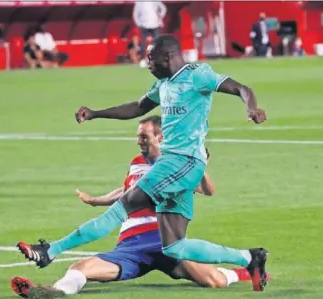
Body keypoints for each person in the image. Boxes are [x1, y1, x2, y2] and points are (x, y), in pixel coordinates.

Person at [16, 35, 269, 292]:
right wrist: (95, 114)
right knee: (174, 246)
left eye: (151, 58)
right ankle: (249, 258)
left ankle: (51, 249)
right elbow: (137, 108)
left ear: (168, 56)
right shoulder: (163, 84)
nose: (147, 63)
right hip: (177, 166)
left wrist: (252, 108)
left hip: (182, 162)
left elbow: (241, 88)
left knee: (122, 207)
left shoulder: (197, 75)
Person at [13, 116, 268, 298]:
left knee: (213, 281)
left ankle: (243, 271)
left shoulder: (178, 165)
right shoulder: (136, 162)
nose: (139, 142)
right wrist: (98, 199)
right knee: (81, 268)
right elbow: (128, 193)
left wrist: (199, 162)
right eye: (138, 137)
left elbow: (207, 190)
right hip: (130, 246)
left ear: (160, 137)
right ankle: (52, 292)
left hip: (164, 240)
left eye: (143, 137)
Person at [133, 1, 166, 67]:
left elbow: (163, 8)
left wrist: (160, 16)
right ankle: (142, 60)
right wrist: (138, 23)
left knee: (157, 43)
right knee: (143, 43)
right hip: (144, 25)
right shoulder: (139, 2)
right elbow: (135, 14)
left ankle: (158, 59)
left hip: (155, 25)